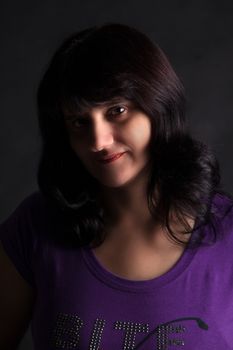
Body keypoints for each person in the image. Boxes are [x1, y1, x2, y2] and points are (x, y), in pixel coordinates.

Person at [0, 22, 233, 350]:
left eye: (117, 111)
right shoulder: (35, 227)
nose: (98, 141)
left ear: (157, 105)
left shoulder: (228, 236)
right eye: (80, 122)